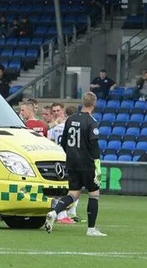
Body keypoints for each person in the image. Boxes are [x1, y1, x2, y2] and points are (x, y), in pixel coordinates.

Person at [44, 92, 106, 237]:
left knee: (73, 194)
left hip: (71, 162)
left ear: (82, 103)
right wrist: (97, 166)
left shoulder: (70, 119)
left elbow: (63, 142)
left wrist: (70, 156)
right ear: (94, 104)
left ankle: (54, 212)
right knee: (94, 195)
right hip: (87, 163)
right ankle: (91, 229)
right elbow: (94, 145)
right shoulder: (92, 122)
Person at [48, 105, 82, 224]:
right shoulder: (72, 127)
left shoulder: (55, 127)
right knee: (72, 187)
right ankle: (64, 214)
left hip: (57, 157)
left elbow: (51, 142)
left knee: (64, 187)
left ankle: (65, 214)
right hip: (69, 158)